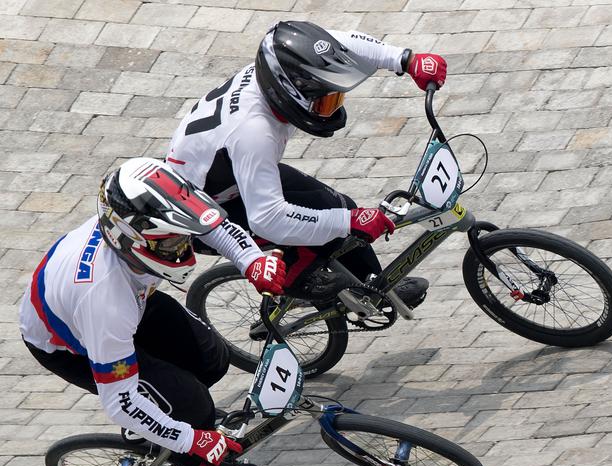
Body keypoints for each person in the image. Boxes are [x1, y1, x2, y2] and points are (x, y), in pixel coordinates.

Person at [20, 158, 287, 466]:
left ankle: (159, 420)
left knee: (212, 359)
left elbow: (213, 226)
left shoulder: (146, 220)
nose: (183, 249)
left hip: (133, 302)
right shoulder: (105, 301)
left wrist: (252, 260)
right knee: (191, 403)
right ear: (129, 239)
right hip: (73, 343)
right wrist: (193, 438)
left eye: (182, 239)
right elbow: (119, 399)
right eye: (171, 245)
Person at [166, 20, 448, 305]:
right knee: (320, 238)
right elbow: (268, 220)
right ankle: (301, 283)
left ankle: (374, 287)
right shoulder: (255, 133)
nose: (332, 109)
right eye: (323, 102)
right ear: (288, 92)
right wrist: (347, 223)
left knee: (341, 206)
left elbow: (337, 45)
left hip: (232, 178)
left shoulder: (278, 65)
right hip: (201, 210)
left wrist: (406, 59)